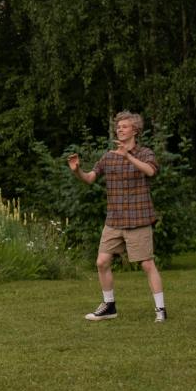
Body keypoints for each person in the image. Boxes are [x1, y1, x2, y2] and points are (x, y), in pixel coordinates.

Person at [67, 111, 166, 323]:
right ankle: (109, 307)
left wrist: (128, 156)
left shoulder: (145, 153)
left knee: (147, 264)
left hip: (138, 219)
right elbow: (91, 178)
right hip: (114, 221)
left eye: (124, 126)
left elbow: (150, 171)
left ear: (135, 130)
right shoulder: (108, 157)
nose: (120, 129)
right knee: (102, 262)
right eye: (118, 127)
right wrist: (77, 171)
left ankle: (160, 310)